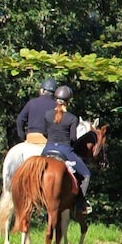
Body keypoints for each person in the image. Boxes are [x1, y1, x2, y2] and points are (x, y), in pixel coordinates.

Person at [41, 85, 91, 214]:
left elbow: (44, 132)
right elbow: (73, 139)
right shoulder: (72, 118)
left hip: (47, 150)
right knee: (86, 174)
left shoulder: (47, 114)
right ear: (68, 101)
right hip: (65, 151)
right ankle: (80, 203)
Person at [16, 78, 57, 144]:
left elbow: (20, 119)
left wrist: (22, 137)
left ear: (42, 90)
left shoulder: (31, 103)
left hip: (30, 138)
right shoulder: (56, 106)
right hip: (47, 140)